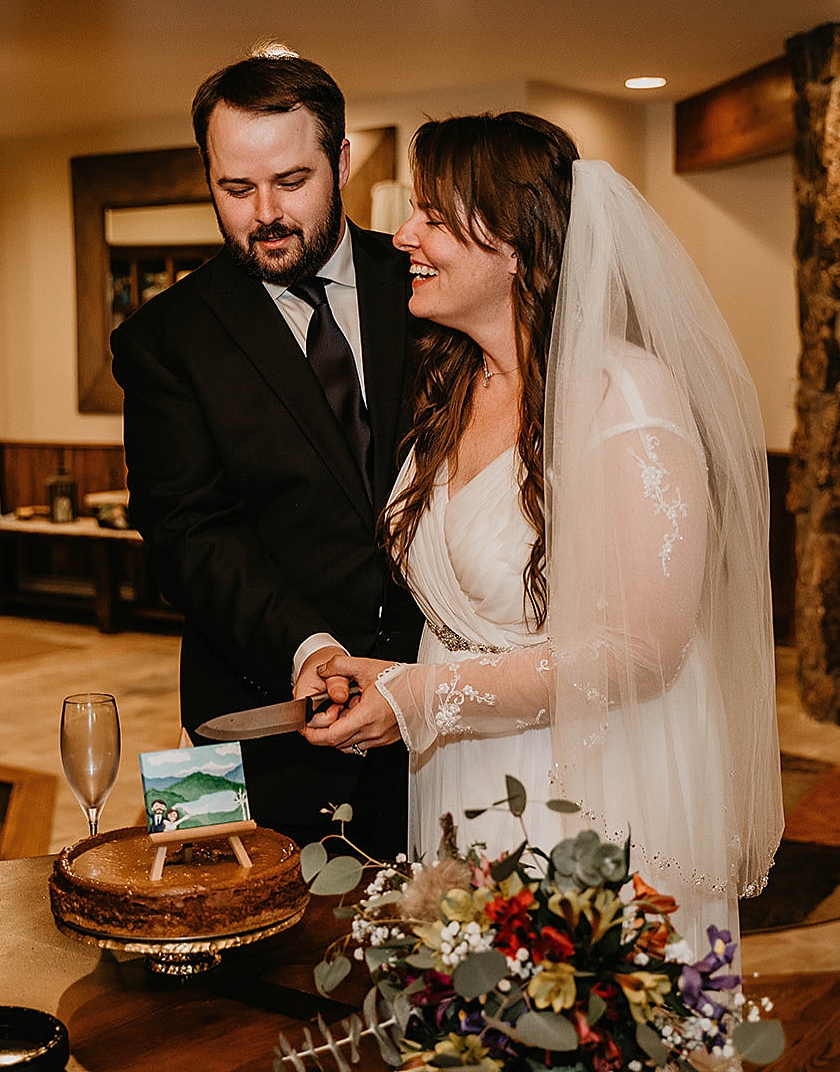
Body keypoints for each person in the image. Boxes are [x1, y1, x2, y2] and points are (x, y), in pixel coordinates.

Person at [303, 113, 782, 953]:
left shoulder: (624, 400)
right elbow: (474, 624)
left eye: (433, 217)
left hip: (585, 784)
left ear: (516, 245)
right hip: (457, 771)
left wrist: (424, 697)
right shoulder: (450, 386)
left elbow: (644, 650)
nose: (403, 235)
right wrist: (390, 677)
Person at [111, 51, 423, 858]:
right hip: (249, 715)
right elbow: (187, 533)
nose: (266, 215)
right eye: (236, 189)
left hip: (438, 713)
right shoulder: (160, 339)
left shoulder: (429, 285)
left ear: (343, 160)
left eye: (292, 181)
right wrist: (309, 648)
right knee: (212, 956)